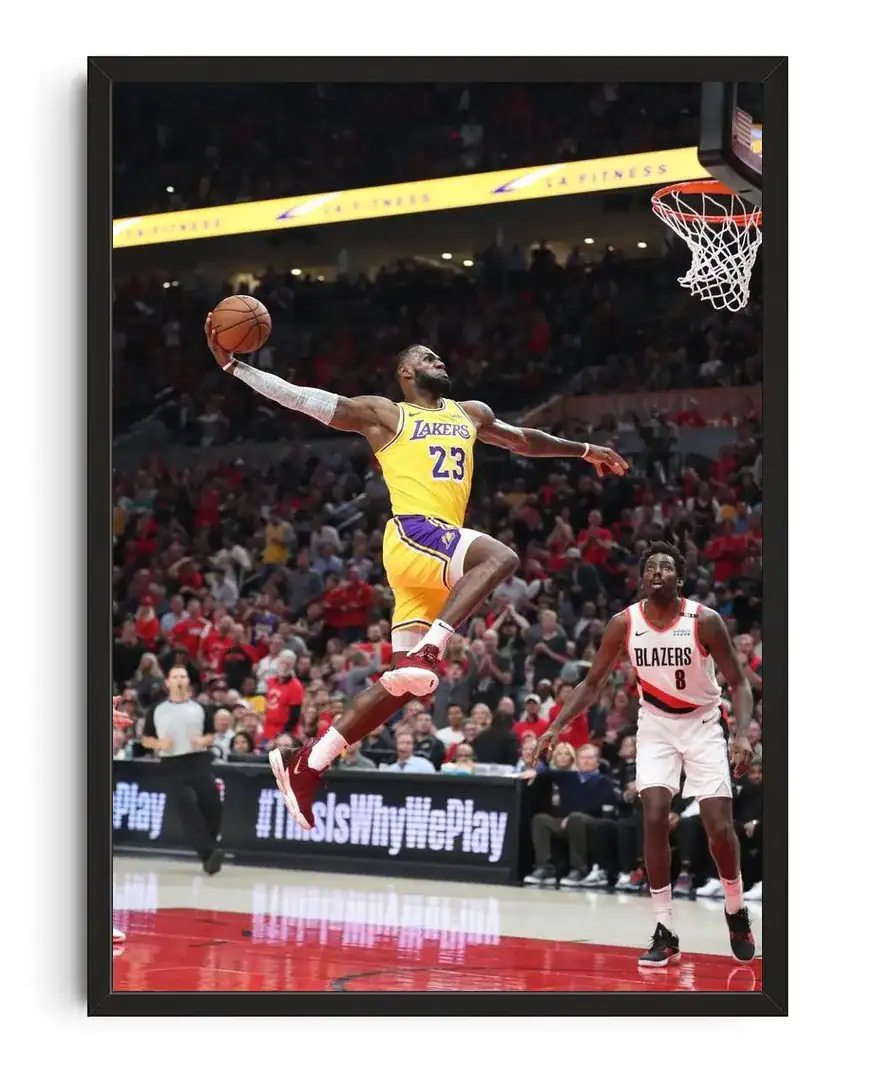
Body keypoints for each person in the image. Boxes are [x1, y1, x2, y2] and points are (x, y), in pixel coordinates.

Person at [205, 323, 627, 830]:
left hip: (430, 563)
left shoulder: (470, 413)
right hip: (414, 533)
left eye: (438, 356)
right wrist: (235, 367)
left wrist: (584, 450)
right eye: (428, 357)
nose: (439, 361)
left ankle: (309, 762)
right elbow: (303, 398)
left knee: (406, 685)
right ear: (406, 372)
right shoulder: (387, 414)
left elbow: (524, 441)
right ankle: (432, 646)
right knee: (500, 558)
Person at [539, 541, 756, 967]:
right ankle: (665, 929)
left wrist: (742, 735)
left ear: (680, 578)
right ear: (641, 579)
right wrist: (556, 725)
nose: (658, 571)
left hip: (703, 723)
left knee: (718, 827)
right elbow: (592, 683)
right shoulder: (624, 623)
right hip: (655, 725)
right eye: (651, 566)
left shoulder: (704, 620)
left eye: (666, 566)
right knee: (654, 815)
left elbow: (739, 682)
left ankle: (735, 906)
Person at [140, 666, 224, 874]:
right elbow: (146, 739)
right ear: (167, 682)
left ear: (188, 681)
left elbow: (211, 735)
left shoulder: (200, 707)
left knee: (212, 805)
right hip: (172, 764)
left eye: (183, 676)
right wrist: (160, 744)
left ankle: (210, 847)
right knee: (187, 807)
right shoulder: (158, 709)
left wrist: (202, 741)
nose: (179, 680)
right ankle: (208, 854)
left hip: (198, 760)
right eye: (175, 676)